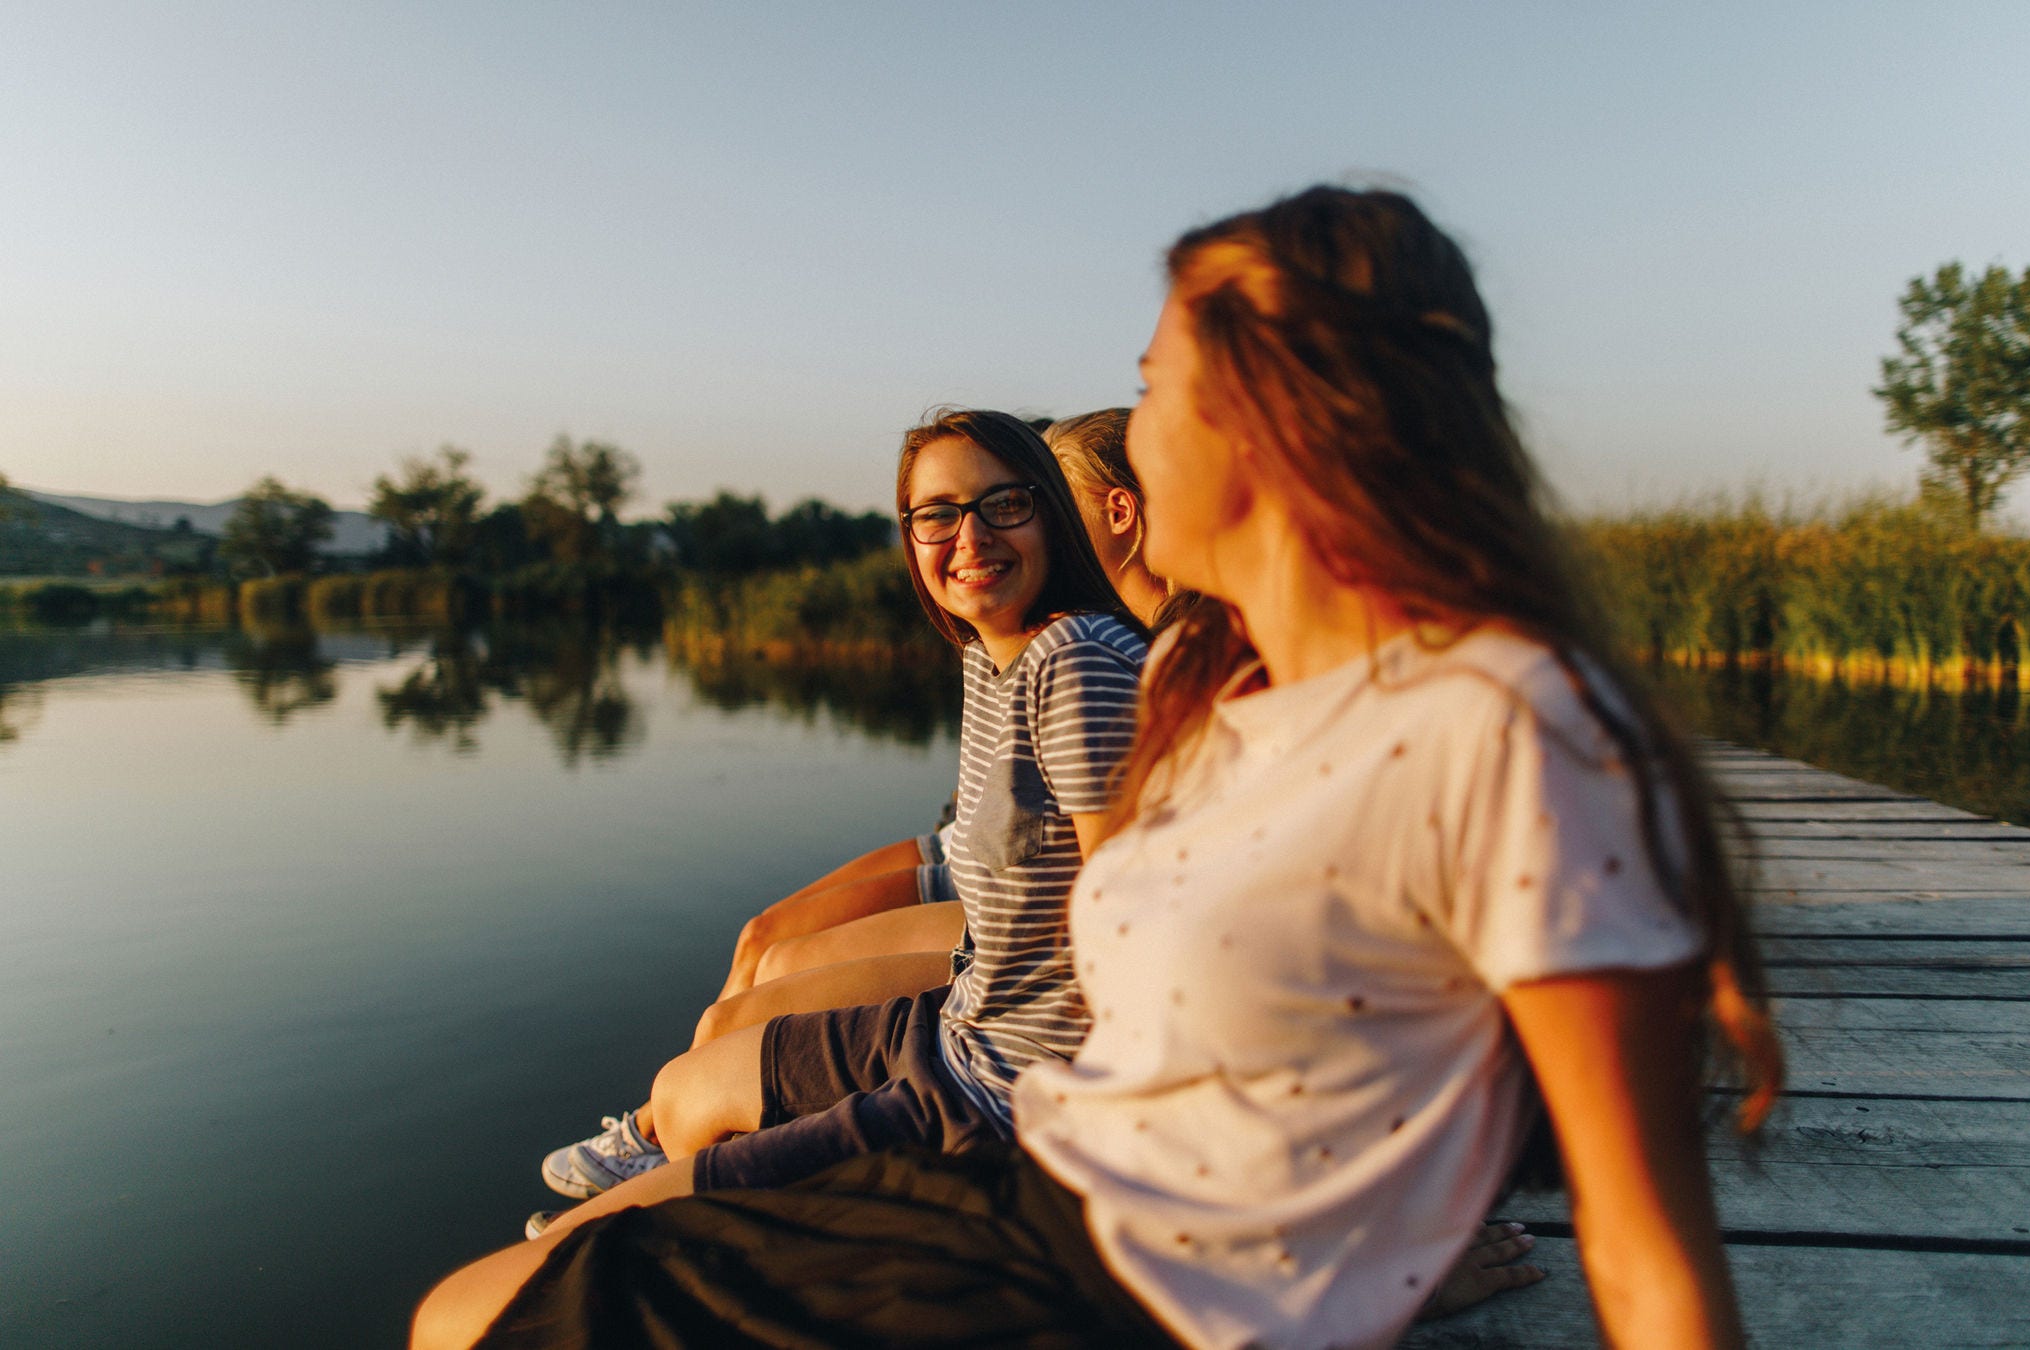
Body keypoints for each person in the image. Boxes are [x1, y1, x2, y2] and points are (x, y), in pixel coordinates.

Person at [417, 186, 1779, 1350]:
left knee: (480, 1319)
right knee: (465, 1302)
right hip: (1053, 1185)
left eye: (1152, 389)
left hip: (1136, 1279)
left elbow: (1645, 1235)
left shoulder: (1505, 722)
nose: (1119, 446)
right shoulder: (1239, 698)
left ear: (1278, 418)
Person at [530, 409, 1150, 1210]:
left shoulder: (1075, 660)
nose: (970, 538)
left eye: (1004, 506)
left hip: (1007, 1090)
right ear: (911, 533)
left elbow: (1134, 922)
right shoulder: (993, 655)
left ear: (1051, 515)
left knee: (591, 1238)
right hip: (963, 1026)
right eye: (938, 515)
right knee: (686, 1089)